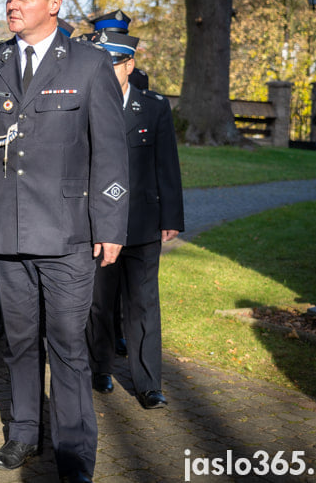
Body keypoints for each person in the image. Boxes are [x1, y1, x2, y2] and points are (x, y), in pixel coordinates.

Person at [0, 0, 129, 483]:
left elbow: (112, 154)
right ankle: (24, 432)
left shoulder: (89, 63)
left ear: (54, 2)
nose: (12, 5)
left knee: (68, 347)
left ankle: (74, 453)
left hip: (69, 235)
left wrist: (111, 226)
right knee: (19, 343)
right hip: (6, 232)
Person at [84, 28, 184, 409]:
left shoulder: (154, 107)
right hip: (97, 223)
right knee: (99, 302)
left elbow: (166, 166)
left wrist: (171, 216)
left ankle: (148, 383)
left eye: (114, 63)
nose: (107, 71)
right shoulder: (86, 104)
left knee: (143, 303)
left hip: (141, 221)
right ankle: (99, 369)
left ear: (130, 64)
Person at [87, 9, 148, 90]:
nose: (115, 40)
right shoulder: (86, 70)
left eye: (121, 36)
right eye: (109, 35)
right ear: (94, 38)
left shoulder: (138, 77)